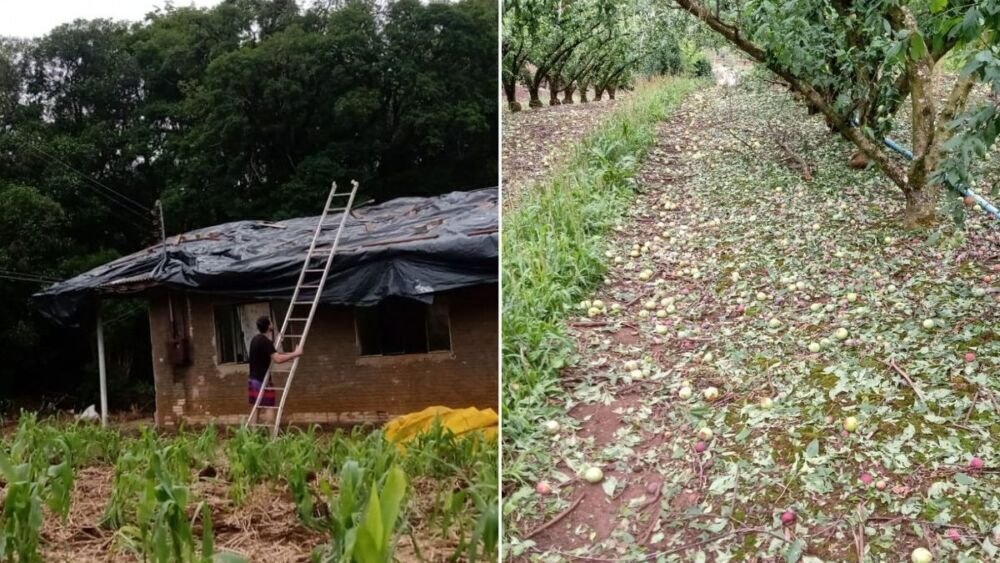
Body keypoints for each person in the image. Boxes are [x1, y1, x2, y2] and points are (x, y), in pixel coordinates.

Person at [248, 315, 303, 424]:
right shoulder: (265, 342)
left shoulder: (255, 339)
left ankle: (252, 435)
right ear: (269, 326)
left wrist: (277, 341)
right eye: (271, 322)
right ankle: (271, 437)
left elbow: (269, 352)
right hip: (263, 380)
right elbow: (277, 358)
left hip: (252, 379)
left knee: (256, 407)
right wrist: (296, 353)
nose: (272, 323)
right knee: (269, 406)